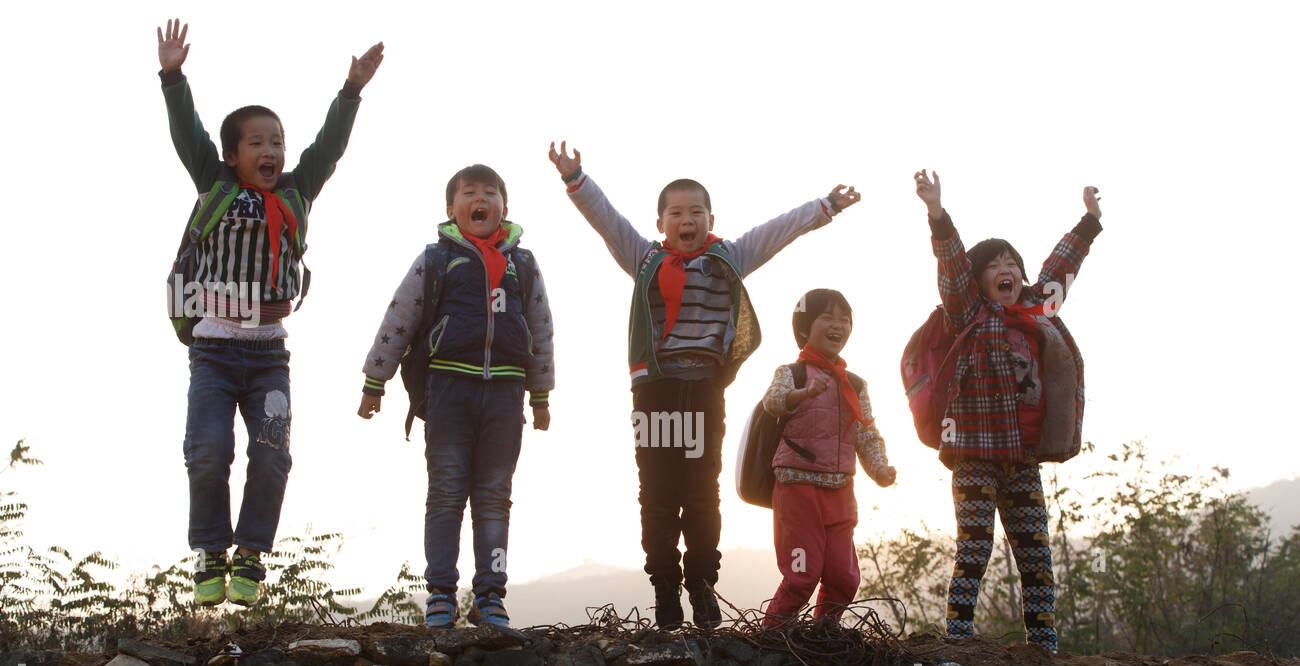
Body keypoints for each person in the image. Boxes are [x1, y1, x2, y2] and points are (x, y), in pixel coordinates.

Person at [547, 140, 859, 629]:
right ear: (661, 225)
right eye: (675, 212)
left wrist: (826, 207)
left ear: (710, 220)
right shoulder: (644, 259)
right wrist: (575, 180)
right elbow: (607, 221)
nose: (686, 218)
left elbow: (778, 232)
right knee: (656, 491)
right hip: (655, 392)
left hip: (703, 393)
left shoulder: (730, 257)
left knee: (699, 492)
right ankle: (665, 587)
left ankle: (701, 584)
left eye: (696, 211)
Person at [159, 20, 383, 606]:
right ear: (232, 156)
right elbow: (189, 134)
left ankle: (252, 555)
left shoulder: (296, 193)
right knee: (208, 449)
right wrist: (173, 77)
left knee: (272, 451)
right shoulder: (214, 183)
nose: (271, 151)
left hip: (268, 354)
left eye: (277, 142)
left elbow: (327, 148)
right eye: (256, 143)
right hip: (212, 349)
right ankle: (210, 550)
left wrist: (351, 91)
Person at [358, 165, 555, 629]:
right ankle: (441, 594)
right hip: (448, 389)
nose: (479, 198)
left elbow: (542, 328)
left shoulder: (522, 265)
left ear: (505, 209)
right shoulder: (436, 259)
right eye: (469, 193)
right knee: (446, 494)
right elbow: (400, 317)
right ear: (452, 208)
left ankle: (490, 595)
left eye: (490, 193)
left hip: (506, 394)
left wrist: (541, 393)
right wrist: (375, 380)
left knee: (494, 497)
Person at [914, 169, 1102, 653]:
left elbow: (1060, 271)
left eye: (1013, 264)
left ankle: (1043, 643)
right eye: (996, 265)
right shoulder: (967, 312)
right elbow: (952, 266)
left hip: (1022, 458)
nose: (1008, 270)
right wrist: (937, 213)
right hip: (974, 454)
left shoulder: (1036, 311)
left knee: (1035, 552)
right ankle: (958, 636)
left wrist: (1087, 224)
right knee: (975, 549)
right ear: (979, 280)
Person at [762, 290, 895, 626]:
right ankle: (769, 638)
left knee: (844, 577)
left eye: (845, 319)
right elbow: (773, 403)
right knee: (801, 576)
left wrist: (878, 467)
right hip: (797, 491)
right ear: (805, 328)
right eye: (828, 317)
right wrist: (803, 394)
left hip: (840, 492)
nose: (839, 325)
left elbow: (866, 432)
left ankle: (823, 634)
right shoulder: (790, 373)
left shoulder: (855, 384)